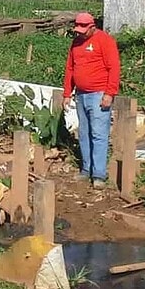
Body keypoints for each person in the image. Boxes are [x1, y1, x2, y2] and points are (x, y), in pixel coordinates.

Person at [62, 12, 120, 188]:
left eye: (83, 30)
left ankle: (99, 174)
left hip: (98, 94)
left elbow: (114, 68)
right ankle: (86, 169)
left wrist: (109, 93)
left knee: (98, 134)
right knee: (84, 133)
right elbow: (70, 68)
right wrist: (67, 93)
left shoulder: (105, 41)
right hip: (81, 94)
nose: (80, 33)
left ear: (92, 27)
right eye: (78, 30)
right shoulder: (76, 42)